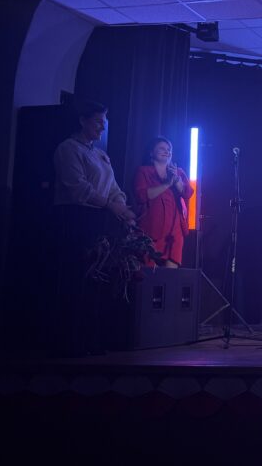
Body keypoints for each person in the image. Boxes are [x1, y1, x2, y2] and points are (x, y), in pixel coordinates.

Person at [52, 100, 135, 356]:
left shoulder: (100, 154)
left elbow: (114, 187)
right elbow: (78, 188)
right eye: (98, 121)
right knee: (78, 279)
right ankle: (71, 343)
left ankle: (93, 339)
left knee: (99, 281)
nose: (102, 127)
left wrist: (122, 207)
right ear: (82, 120)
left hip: (101, 220)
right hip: (76, 219)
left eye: (104, 122)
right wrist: (110, 205)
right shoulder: (68, 148)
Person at [133, 136, 193, 267]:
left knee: (170, 276)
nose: (167, 151)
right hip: (151, 227)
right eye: (162, 148)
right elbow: (141, 195)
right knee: (148, 273)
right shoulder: (144, 171)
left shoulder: (179, 172)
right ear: (151, 152)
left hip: (174, 231)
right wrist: (166, 184)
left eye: (169, 149)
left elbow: (187, 193)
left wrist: (176, 180)